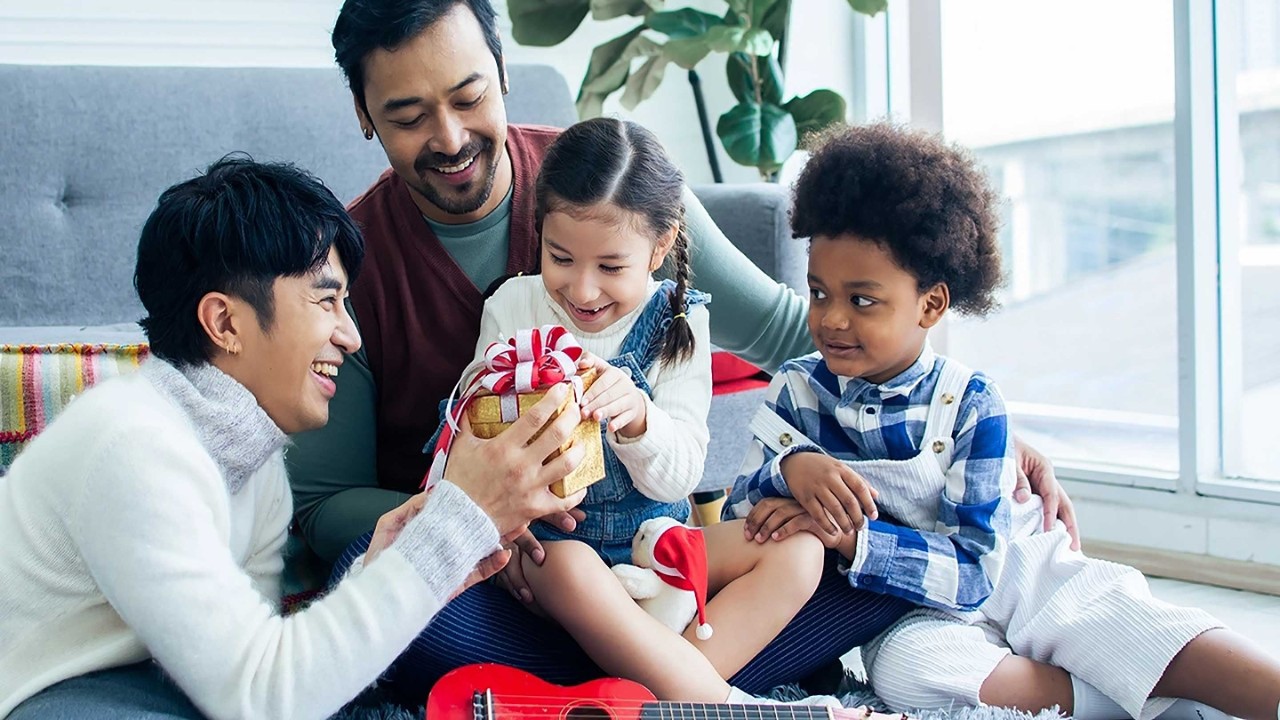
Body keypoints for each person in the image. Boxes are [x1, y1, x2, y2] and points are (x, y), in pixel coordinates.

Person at [289, 0, 1079, 696]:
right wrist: (474, 512)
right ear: (363, 113)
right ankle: (685, 675)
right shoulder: (351, 263)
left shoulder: (611, 181)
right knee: (371, 565)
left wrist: (961, 417)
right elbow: (323, 506)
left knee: (829, 535)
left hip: (646, 552)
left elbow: (788, 327)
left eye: (469, 97)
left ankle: (628, 678)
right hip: (502, 574)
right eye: (407, 115)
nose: (451, 137)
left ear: (500, 71)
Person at [725, 123, 1280, 720]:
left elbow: (974, 572)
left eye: (862, 300)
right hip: (906, 606)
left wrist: (857, 538)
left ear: (931, 305)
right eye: (817, 293)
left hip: (1010, 571)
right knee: (910, 675)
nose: (831, 319)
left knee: (1121, 623)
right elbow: (739, 513)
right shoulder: (797, 388)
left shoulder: (970, 401)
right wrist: (791, 467)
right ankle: (1122, 702)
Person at [0, 156, 586, 720]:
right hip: (61, 695)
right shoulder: (131, 444)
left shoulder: (254, 462)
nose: (351, 337)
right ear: (226, 323)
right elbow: (261, 697)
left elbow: (260, 674)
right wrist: (457, 522)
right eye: (326, 300)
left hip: (168, 688)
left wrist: (385, 568)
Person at [430, 116, 845, 704]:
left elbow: (682, 474)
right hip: (558, 563)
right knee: (568, 566)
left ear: (660, 246)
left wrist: (639, 420)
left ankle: (667, 691)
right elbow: (471, 438)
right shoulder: (512, 308)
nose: (582, 290)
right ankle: (719, 704)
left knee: (801, 551)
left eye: (611, 267)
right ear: (538, 232)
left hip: (659, 549)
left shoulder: (681, 321)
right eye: (561, 257)